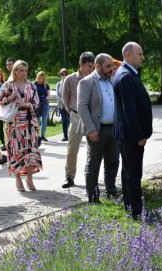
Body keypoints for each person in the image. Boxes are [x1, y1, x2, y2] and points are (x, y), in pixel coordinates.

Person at [113, 42, 152, 220]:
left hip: (127, 135)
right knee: (133, 173)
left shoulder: (126, 74)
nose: (143, 57)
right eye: (140, 54)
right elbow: (129, 109)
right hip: (132, 136)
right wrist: (139, 135)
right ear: (128, 55)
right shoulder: (126, 76)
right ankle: (137, 211)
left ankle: (129, 205)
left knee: (128, 171)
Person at [78, 53, 119, 203]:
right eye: (108, 66)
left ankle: (111, 191)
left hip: (113, 129)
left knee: (113, 161)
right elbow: (81, 106)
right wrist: (91, 129)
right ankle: (93, 196)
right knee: (94, 163)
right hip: (97, 130)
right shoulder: (87, 82)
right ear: (97, 66)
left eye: (112, 66)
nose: (111, 69)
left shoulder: (112, 82)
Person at [0, 60, 42, 192]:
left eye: (26, 70)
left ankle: (30, 179)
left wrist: (25, 104)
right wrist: (10, 98)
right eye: (21, 70)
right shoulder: (8, 85)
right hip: (13, 124)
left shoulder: (31, 86)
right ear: (14, 71)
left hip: (29, 123)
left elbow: (36, 102)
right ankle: (18, 179)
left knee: (30, 151)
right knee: (15, 151)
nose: (24, 73)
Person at [62, 51, 95, 189]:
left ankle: (91, 177)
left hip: (92, 117)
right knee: (72, 149)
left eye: (93, 66)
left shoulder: (95, 78)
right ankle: (69, 177)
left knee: (93, 149)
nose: (91, 69)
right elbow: (65, 98)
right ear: (81, 64)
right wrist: (72, 113)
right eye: (89, 66)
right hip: (76, 116)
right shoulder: (70, 79)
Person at [33, 71, 51, 142]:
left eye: (42, 79)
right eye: (39, 78)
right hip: (37, 104)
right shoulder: (34, 84)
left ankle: (42, 135)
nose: (40, 80)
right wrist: (37, 99)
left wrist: (46, 98)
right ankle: (36, 135)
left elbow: (49, 95)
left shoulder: (46, 84)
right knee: (37, 120)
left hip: (45, 103)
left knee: (44, 120)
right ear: (37, 77)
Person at [55, 68, 70, 141]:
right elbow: (57, 95)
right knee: (64, 120)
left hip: (69, 105)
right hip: (61, 105)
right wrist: (64, 101)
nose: (63, 75)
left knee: (69, 120)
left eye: (65, 74)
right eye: (62, 74)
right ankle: (65, 135)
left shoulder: (70, 83)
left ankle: (70, 134)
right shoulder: (58, 84)